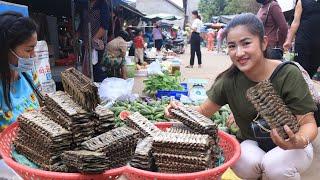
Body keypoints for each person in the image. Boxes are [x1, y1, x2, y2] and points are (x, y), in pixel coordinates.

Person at [165, 13, 318, 180]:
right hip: (255, 142)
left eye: (246, 43)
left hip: (295, 145)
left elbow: (308, 123)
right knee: (239, 159)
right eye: (232, 46)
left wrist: (299, 141)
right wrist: (179, 111)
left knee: (275, 165)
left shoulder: (287, 74)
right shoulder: (229, 81)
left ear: (263, 42)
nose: (239, 53)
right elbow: (203, 111)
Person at [0, 11, 40, 178]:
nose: (33, 56)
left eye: (34, 49)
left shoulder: (29, 76)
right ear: (6, 49)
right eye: (28, 50)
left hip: (37, 162)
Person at [283, 0, 320, 78]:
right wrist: (289, 40)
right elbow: (295, 22)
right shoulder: (301, 2)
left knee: (311, 72)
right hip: (302, 43)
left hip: (317, 46)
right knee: (300, 70)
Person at [78, 0, 110, 82]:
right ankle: (90, 89)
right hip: (86, 42)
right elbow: (82, 23)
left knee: (96, 68)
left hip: (97, 43)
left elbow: (104, 26)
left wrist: (93, 39)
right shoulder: (84, 4)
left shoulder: (102, 4)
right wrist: (76, 36)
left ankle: (101, 88)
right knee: (86, 68)